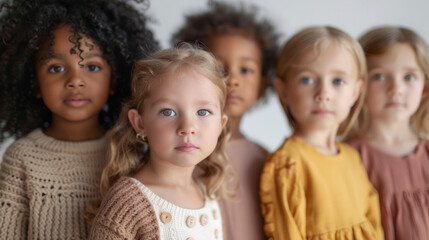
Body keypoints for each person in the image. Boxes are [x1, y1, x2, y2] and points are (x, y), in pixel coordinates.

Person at [0, 0, 158, 239]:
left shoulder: (130, 150)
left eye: (92, 67)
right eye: (55, 68)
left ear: (114, 79)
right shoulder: (21, 158)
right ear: (34, 82)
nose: (75, 80)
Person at [88, 45, 231, 240]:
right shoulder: (126, 204)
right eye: (168, 112)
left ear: (220, 125)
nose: (187, 127)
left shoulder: (208, 194)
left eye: (203, 112)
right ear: (140, 123)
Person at [260, 26, 384, 239]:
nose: (323, 94)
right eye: (307, 80)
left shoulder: (353, 158)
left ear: (355, 92)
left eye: (338, 81)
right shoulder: (287, 163)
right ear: (283, 90)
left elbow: (374, 227)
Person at [171, 2, 279, 239]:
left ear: (262, 85)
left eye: (246, 69)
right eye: (219, 68)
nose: (232, 79)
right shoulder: (182, 149)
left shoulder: (266, 158)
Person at [346, 26, 429, 240]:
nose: (396, 89)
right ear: (359, 87)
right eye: (379, 76)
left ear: (425, 88)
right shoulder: (347, 158)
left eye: (409, 77)